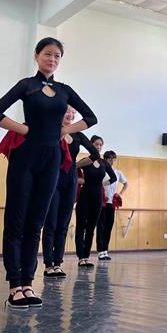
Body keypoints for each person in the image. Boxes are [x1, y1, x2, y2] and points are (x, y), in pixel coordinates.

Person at [0, 37, 97, 308]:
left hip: (52, 159)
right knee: (17, 221)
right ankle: (14, 286)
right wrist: (25, 130)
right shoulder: (27, 85)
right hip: (25, 158)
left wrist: (65, 129)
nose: (52, 59)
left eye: (57, 56)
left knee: (36, 222)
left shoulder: (64, 90)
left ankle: (28, 283)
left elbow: (91, 117)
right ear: (36, 56)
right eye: (48, 54)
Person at [42, 106, 101, 278]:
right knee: (51, 222)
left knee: (63, 223)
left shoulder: (78, 135)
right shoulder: (52, 130)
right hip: (53, 178)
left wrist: (76, 165)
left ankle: (58, 263)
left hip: (70, 180)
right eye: (68, 111)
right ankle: (48, 264)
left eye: (74, 113)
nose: (71, 115)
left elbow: (95, 154)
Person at [75, 141, 116, 267]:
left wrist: (102, 185)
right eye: (96, 144)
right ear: (91, 145)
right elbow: (73, 169)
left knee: (91, 227)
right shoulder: (85, 161)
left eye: (100, 145)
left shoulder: (104, 163)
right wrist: (80, 181)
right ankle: (81, 257)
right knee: (81, 226)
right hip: (85, 196)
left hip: (98, 197)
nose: (98, 147)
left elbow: (113, 178)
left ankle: (86, 257)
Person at [97, 152, 128, 261]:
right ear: (105, 159)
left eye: (113, 159)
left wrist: (120, 194)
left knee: (108, 226)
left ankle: (105, 250)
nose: (111, 161)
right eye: (109, 158)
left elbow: (126, 183)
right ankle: (100, 251)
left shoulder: (117, 173)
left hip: (111, 203)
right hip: (102, 202)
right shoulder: (102, 171)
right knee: (101, 227)